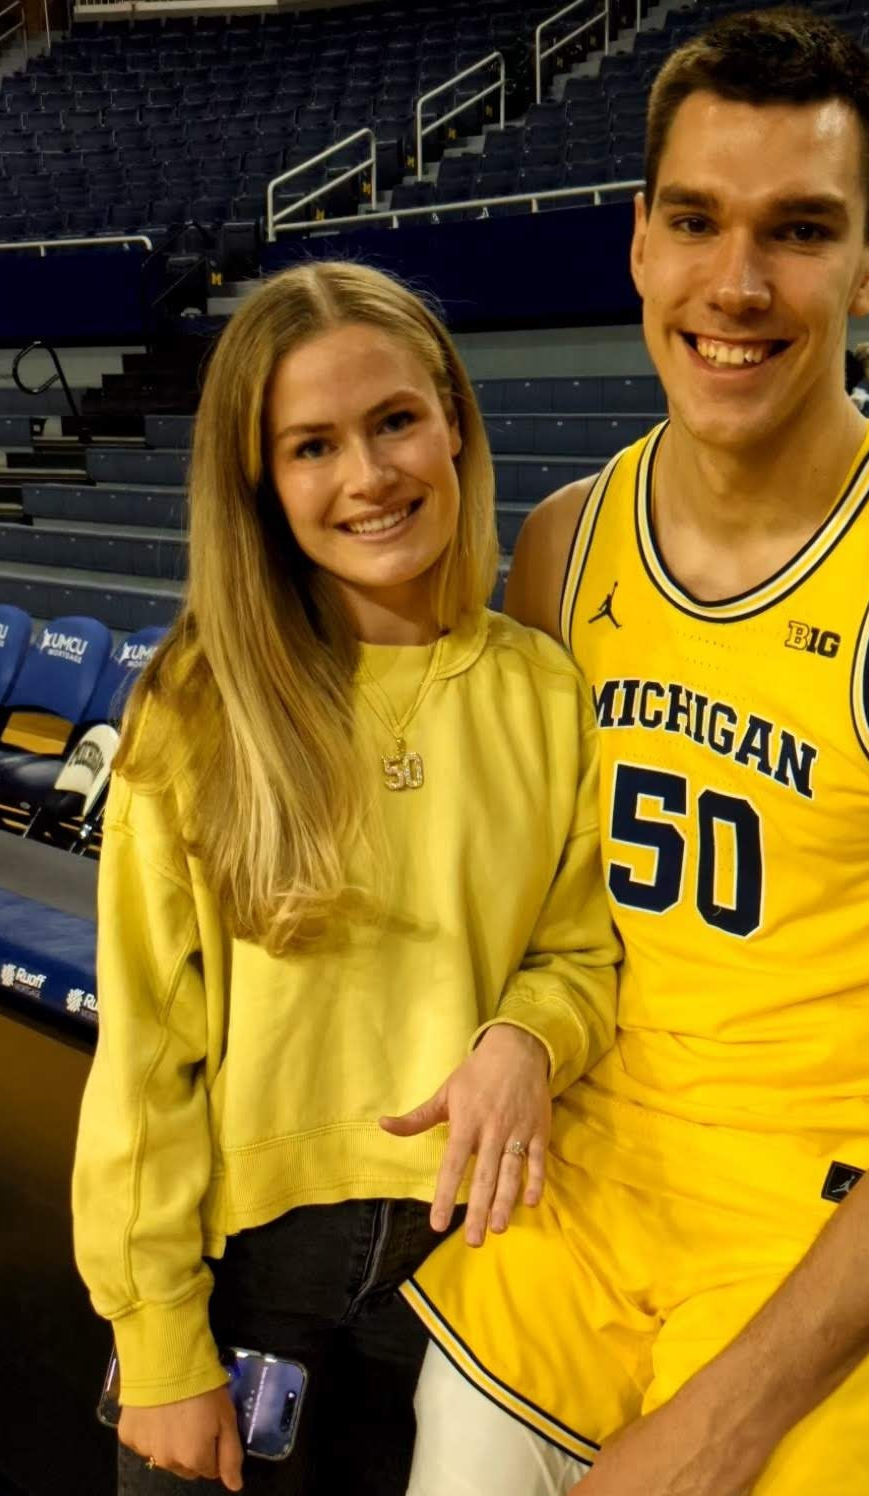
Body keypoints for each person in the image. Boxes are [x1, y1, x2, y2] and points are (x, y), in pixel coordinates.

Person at [403, 9, 869, 1495]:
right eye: (697, 220)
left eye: (799, 230)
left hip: (825, 1224)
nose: (736, 282)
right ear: (639, 240)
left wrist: (726, 1422)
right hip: (583, 1183)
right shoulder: (564, 546)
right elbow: (545, 916)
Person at [71, 261, 620, 1496]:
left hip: (469, 1261)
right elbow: (148, 1052)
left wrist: (528, 1035)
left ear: (454, 422)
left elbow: (580, 952)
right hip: (246, 1265)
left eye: (395, 421)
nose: (368, 475)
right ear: (261, 483)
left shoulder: (543, 691)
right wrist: (155, 1334)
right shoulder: (199, 708)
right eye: (312, 445)